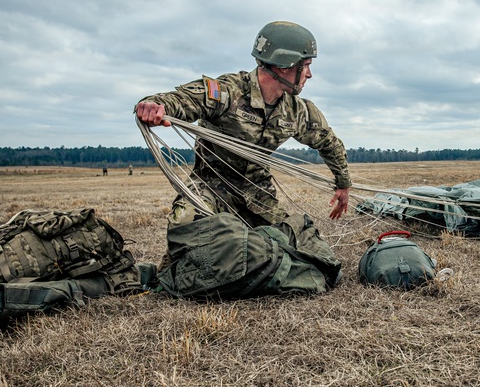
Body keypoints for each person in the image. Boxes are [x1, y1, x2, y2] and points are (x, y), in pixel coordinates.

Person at [135, 21, 352, 266]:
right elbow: (182, 100)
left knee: (302, 249)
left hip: (258, 196)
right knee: (186, 230)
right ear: (284, 66)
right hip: (211, 187)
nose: (310, 75)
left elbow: (329, 143)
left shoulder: (297, 111)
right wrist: (154, 105)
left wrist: (343, 184)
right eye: (306, 66)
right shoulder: (227, 92)